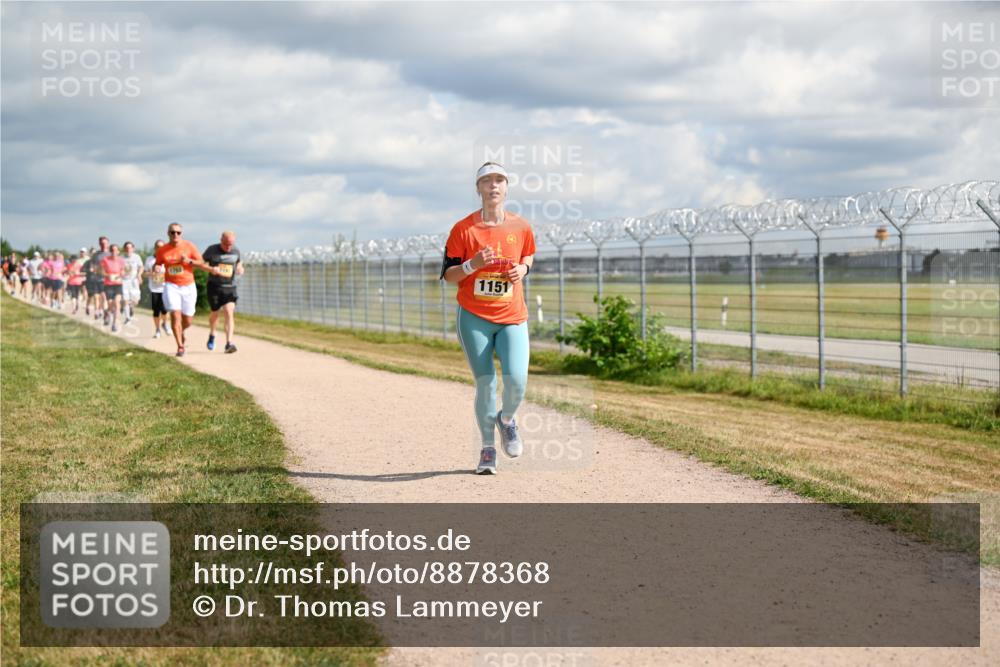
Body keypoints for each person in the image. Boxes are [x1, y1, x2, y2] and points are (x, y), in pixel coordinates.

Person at [440, 162, 536, 474]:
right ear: (478, 189)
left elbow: (528, 255)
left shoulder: (521, 227)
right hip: (474, 317)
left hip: (512, 316)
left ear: (506, 188)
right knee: (486, 383)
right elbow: (449, 275)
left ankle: (506, 419)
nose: (493, 186)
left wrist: (522, 269)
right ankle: (486, 450)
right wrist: (473, 264)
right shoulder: (463, 230)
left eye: (499, 180)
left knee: (517, 381)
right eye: (486, 181)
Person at [155, 222, 222, 356]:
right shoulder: (162, 250)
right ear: (168, 233)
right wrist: (156, 268)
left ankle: (181, 331)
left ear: (181, 234)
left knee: (188, 321)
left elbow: (202, 263)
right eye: (172, 232)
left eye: (178, 232)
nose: (175, 235)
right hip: (171, 286)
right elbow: (158, 264)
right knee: (175, 315)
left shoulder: (189, 246)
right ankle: (180, 346)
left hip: (188, 286)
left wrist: (189, 261)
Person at [202, 230, 243, 353]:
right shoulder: (211, 250)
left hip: (230, 287)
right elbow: (200, 263)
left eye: (230, 244)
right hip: (214, 287)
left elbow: (239, 262)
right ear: (221, 240)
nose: (228, 247)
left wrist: (240, 267)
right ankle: (212, 334)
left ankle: (228, 343)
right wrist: (210, 268)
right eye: (226, 244)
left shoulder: (236, 250)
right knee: (215, 314)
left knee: (229, 312)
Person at [144, 240, 170, 338]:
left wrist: (164, 275)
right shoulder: (149, 259)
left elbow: (171, 272)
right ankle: (157, 330)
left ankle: (165, 324)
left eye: (162, 246)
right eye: (158, 246)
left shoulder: (167, 258)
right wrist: (152, 273)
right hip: (154, 289)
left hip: (165, 288)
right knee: (156, 311)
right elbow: (144, 273)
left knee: (164, 309)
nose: (160, 248)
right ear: (155, 247)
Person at [101, 244, 126, 332]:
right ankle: (107, 313)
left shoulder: (121, 260)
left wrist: (121, 275)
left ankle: (115, 323)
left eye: (115, 250)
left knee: (117, 302)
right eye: (112, 250)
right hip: (108, 284)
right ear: (110, 251)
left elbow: (123, 271)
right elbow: (102, 272)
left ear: (118, 251)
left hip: (118, 284)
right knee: (110, 303)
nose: (114, 252)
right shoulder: (105, 260)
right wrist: (108, 275)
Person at [120, 241, 144, 324]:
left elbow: (141, 267)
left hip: (134, 281)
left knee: (136, 300)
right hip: (124, 281)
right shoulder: (121, 258)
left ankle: (130, 307)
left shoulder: (137, 257)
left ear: (133, 248)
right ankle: (127, 318)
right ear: (124, 249)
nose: (128, 249)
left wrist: (139, 275)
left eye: (130, 247)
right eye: (127, 248)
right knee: (125, 299)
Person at [65, 249, 88, 314]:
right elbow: (67, 273)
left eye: (74, 259)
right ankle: (74, 308)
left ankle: (76, 305)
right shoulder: (69, 266)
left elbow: (85, 273)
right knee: (73, 295)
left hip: (78, 282)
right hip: (72, 282)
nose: (73, 260)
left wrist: (77, 274)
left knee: (76, 295)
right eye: (72, 259)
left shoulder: (79, 265)